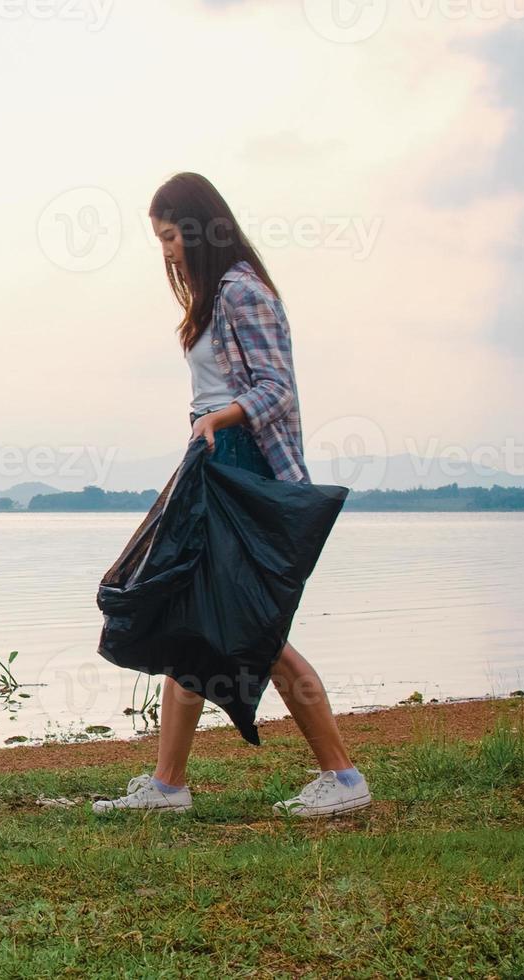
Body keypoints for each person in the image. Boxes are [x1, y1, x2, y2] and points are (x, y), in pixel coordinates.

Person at [92, 172, 371, 818]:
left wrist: (218, 421)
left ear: (195, 229)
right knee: (189, 616)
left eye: (168, 236)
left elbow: (278, 388)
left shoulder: (242, 291)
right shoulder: (214, 297)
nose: (164, 251)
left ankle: (345, 778)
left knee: (253, 632)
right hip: (213, 464)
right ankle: (168, 786)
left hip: (242, 470)